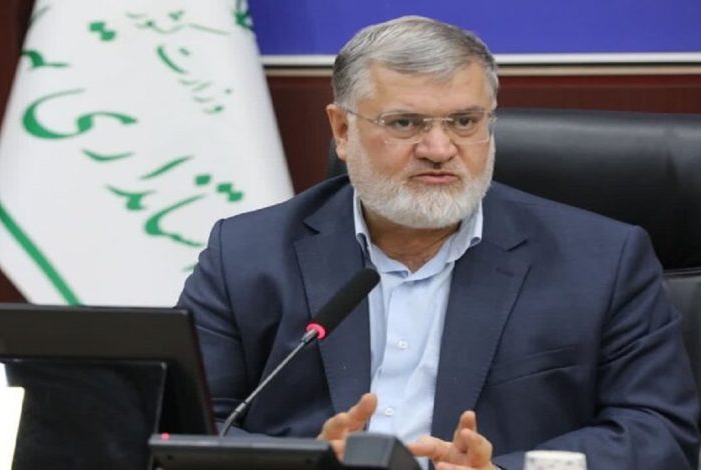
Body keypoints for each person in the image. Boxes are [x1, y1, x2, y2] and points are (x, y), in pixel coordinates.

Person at [177, 15, 699, 469]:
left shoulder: (603, 260)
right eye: (405, 123)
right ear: (342, 130)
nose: (439, 148)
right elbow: (183, 425)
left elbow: (658, 432)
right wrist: (304, 464)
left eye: (464, 121)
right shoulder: (245, 254)